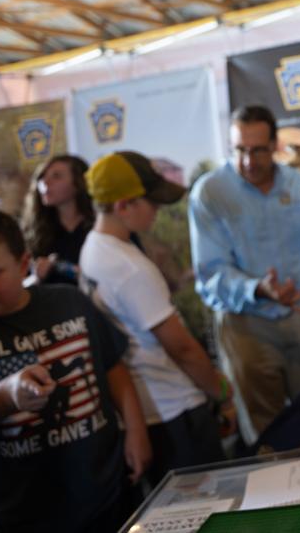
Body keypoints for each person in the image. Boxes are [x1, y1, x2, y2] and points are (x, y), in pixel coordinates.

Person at [0, 209, 151, 533]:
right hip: (18, 510)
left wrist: (136, 431)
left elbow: (112, 367)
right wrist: (9, 393)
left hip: (105, 491)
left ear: (22, 264)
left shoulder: (69, 300)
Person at [80, 151, 233, 485]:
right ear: (123, 206)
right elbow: (182, 348)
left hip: (148, 410)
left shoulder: (93, 248)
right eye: (151, 202)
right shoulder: (130, 268)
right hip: (177, 411)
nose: (158, 211)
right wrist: (222, 392)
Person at [188, 105, 300, 446]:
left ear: (275, 146)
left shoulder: (297, 183)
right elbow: (210, 273)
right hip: (245, 324)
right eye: (239, 150)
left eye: (257, 150)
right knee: (266, 433)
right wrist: (258, 289)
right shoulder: (210, 193)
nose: (248, 161)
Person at [21, 155, 94, 285]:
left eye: (56, 176)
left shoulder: (99, 227)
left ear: (78, 183)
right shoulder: (35, 232)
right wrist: (37, 276)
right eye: (43, 177)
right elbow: (19, 286)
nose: (45, 182)